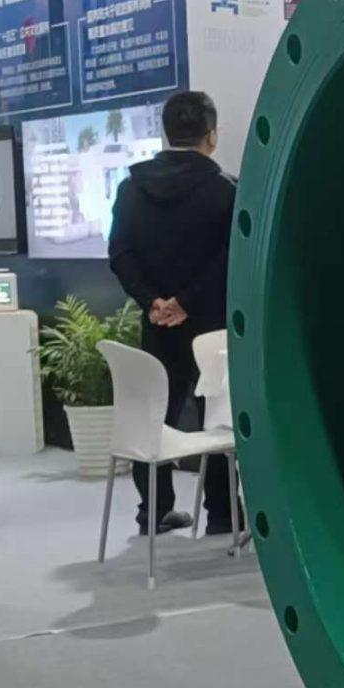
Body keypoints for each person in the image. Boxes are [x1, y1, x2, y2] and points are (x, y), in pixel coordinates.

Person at [108, 92, 235, 536]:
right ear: (211, 136)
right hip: (211, 329)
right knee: (218, 418)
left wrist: (154, 302)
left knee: (153, 414)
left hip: (157, 325)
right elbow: (229, 260)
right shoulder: (225, 191)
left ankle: (155, 510)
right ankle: (223, 512)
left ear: (166, 132)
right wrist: (188, 302)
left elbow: (120, 254)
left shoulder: (131, 188)